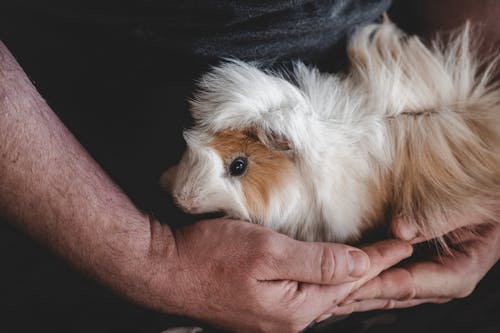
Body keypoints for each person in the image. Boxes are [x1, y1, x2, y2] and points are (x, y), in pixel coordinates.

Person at [0, 1, 498, 332]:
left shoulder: (312, 163)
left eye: (238, 167)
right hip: (69, 206)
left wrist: (487, 194)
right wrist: (152, 260)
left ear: (286, 146)